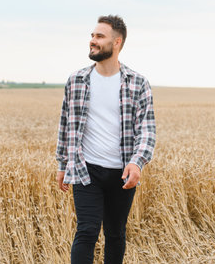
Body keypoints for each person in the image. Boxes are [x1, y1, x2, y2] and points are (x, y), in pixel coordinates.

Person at [55, 15, 156, 264]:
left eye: (100, 36)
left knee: (114, 233)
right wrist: (61, 164)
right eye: (92, 36)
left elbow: (147, 129)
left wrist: (137, 162)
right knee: (87, 231)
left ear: (117, 42)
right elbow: (65, 124)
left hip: (121, 173)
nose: (93, 41)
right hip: (84, 169)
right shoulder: (77, 80)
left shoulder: (138, 83)